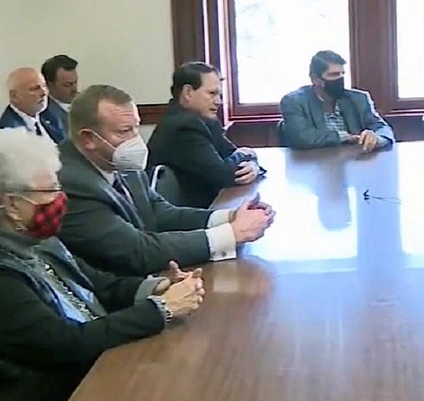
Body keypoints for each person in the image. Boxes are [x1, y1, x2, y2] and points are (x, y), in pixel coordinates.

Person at [0, 128, 205, 400]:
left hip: (102, 364)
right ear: (13, 205)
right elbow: (67, 343)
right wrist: (162, 309)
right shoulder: (5, 277)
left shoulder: (40, 241)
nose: (61, 199)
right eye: (50, 190)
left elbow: (100, 284)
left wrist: (159, 286)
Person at [57, 84, 274, 276]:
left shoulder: (119, 163)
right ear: (88, 139)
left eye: (136, 127)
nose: (135, 140)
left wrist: (230, 216)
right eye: (124, 131)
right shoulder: (70, 183)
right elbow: (137, 251)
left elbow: (160, 214)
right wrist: (232, 234)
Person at [147, 62, 263, 208]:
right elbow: (224, 176)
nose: (218, 101)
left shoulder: (203, 120)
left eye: (219, 95)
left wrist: (252, 165)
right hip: (189, 219)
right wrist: (246, 153)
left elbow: (231, 154)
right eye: (212, 93)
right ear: (188, 92)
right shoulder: (183, 126)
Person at [280, 50, 395, 151]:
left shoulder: (359, 99)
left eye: (342, 74)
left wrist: (377, 138)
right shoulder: (294, 102)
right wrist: (346, 137)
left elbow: (384, 129)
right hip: (314, 166)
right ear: (315, 79)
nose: (340, 79)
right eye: (334, 75)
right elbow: (302, 138)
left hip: (355, 164)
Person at [0, 67, 65, 144]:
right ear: (15, 96)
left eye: (44, 86)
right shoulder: (8, 132)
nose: (44, 93)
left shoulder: (51, 115)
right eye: (35, 88)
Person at [40, 54, 79, 134]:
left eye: (75, 82)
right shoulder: (43, 116)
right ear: (49, 85)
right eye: (68, 85)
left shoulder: (87, 103)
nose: (74, 89)